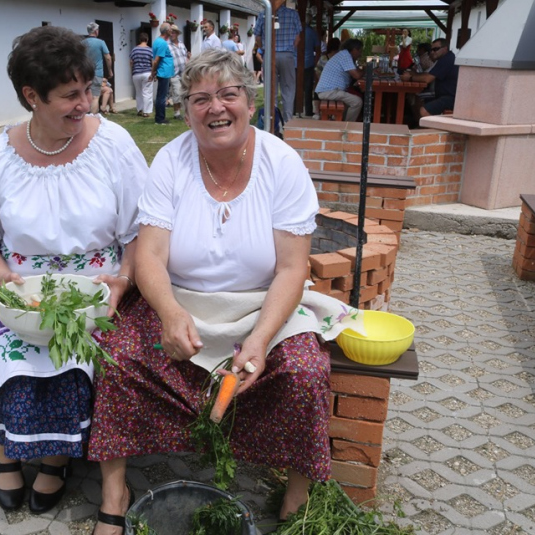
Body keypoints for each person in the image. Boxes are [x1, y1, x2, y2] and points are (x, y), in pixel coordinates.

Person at [88, 48, 361, 535]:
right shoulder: (171, 160)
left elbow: (292, 269)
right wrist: (169, 313)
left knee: (303, 371)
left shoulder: (282, 163)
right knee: (119, 356)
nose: (216, 107)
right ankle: (115, 490)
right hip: (181, 301)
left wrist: (258, 339)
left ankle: (297, 498)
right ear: (187, 110)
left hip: (262, 306)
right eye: (200, 98)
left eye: (228, 94)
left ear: (249, 102)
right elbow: (149, 256)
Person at [0, 26, 146, 515]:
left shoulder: (113, 145)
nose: (85, 104)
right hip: (16, 283)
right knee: (15, 357)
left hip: (99, 283)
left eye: (87, 89)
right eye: (70, 95)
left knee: (69, 359)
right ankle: (7, 447)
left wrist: (123, 279)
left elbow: (143, 230)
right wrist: (5, 282)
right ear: (31, 96)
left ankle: (56, 457)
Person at [254, 0, 302, 121]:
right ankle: (288, 120)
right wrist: (290, 48)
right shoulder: (293, 14)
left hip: (269, 54)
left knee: (270, 90)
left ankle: (271, 120)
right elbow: (298, 38)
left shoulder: (263, 14)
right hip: (287, 55)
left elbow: (258, 36)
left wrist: (264, 48)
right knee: (288, 89)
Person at [400, 37, 459, 117]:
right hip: (442, 95)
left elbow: (427, 79)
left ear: (445, 48)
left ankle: (427, 128)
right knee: (416, 96)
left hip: (451, 98)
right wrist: (413, 74)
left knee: (424, 110)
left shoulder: (447, 59)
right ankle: (420, 125)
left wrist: (410, 78)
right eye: (431, 50)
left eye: (436, 49)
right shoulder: (445, 58)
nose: (432, 52)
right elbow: (426, 75)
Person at [315, 38, 364, 122]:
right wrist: (366, 70)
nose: (360, 54)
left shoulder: (343, 55)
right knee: (357, 102)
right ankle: (347, 127)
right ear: (354, 49)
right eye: (360, 51)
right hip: (329, 91)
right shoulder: (345, 56)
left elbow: (354, 73)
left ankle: (342, 122)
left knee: (351, 100)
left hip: (328, 91)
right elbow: (356, 75)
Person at [85, 22, 114, 114]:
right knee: (95, 97)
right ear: (96, 31)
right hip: (96, 73)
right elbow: (108, 57)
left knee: (85, 95)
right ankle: (93, 118)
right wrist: (110, 71)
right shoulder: (101, 42)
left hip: (84, 73)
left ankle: (86, 117)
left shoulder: (82, 43)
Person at [150, 23, 175, 125]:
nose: (171, 31)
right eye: (170, 29)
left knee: (162, 95)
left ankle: (160, 117)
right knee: (161, 96)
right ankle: (160, 119)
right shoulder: (162, 43)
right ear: (166, 31)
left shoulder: (158, 41)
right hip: (163, 71)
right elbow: (156, 60)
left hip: (163, 71)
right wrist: (153, 73)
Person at [312, 37, 340, 118]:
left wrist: (322, 79)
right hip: (335, 84)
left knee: (317, 89)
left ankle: (316, 112)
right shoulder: (339, 58)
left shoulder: (323, 58)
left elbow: (317, 70)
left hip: (323, 83)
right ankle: (333, 113)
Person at [168, 24, 190, 120]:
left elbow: (185, 55)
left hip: (184, 72)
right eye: (170, 32)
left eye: (173, 32)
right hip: (174, 73)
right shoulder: (167, 45)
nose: (171, 34)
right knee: (176, 92)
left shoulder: (181, 44)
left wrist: (188, 57)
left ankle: (185, 111)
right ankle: (176, 113)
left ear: (177, 34)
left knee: (185, 93)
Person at [129, 32, 153, 117]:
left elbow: (131, 62)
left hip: (136, 73)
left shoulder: (134, 50)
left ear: (139, 40)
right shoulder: (150, 50)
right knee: (147, 92)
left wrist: (132, 71)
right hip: (147, 73)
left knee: (138, 93)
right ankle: (146, 111)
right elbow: (152, 62)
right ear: (147, 40)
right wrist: (154, 73)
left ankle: (140, 109)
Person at [302, 15, 321, 118]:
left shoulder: (296, 31)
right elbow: (318, 50)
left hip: (295, 63)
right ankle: (308, 111)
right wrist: (315, 62)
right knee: (308, 88)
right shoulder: (313, 33)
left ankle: (294, 110)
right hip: (309, 63)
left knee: (294, 87)